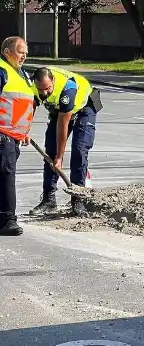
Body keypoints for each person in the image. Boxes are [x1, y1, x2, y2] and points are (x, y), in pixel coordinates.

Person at [29, 65, 101, 217]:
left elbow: (63, 125)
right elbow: (29, 109)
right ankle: (49, 200)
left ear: (53, 81)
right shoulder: (33, 86)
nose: (44, 93)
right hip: (59, 110)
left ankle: (78, 199)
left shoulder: (67, 89)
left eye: (47, 88)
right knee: (50, 151)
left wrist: (60, 157)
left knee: (79, 150)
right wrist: (24, 130)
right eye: (40, 89)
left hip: (84, 108)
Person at [0, 36, 36, 236]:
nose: (25, 56)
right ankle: (7, 220)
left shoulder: (21, 73)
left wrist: (24, 131)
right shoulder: (2, 71)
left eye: (26, 52)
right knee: (6, 175)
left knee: (5, 175)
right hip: (3, 135)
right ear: (7, 52)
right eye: (21, 51)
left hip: (14, 136)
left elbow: (25, 104)